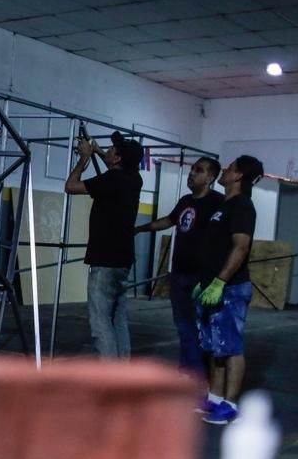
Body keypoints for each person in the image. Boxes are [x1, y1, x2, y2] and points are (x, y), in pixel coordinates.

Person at [135, 157, 223, 379]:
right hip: (179, 274)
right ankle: (188, 371)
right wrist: (140, 228)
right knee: (183, 326)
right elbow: (169, 220)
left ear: (210, 178)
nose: (192, 173)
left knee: (201, 328)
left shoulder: (217, 202)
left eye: (199, 170)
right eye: (193, 169)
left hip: (200, 277)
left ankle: (201, 376)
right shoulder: (185, 201)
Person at [195, 155, 264, 424]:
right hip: (211, 287)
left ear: (238, 176)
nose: (225, 170)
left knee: (231, 347)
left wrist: (220, 281)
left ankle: (230, 405)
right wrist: (205, 283)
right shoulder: (224, 205)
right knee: (215, 347)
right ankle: (214, 397)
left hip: (231, 289)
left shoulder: (242, 206)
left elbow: (240, 247)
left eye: (231, 167)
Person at [65, 131, 144, 358]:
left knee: (100, 323)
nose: (107, 151)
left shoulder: (111, 180)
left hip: (105, 260)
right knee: (118, 319)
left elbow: (71, 186)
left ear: (118, 159)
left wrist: (84, 158)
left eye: (111, 151)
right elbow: (116, 167)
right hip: (123, 259)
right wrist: (99, 152)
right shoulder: (134, 179)